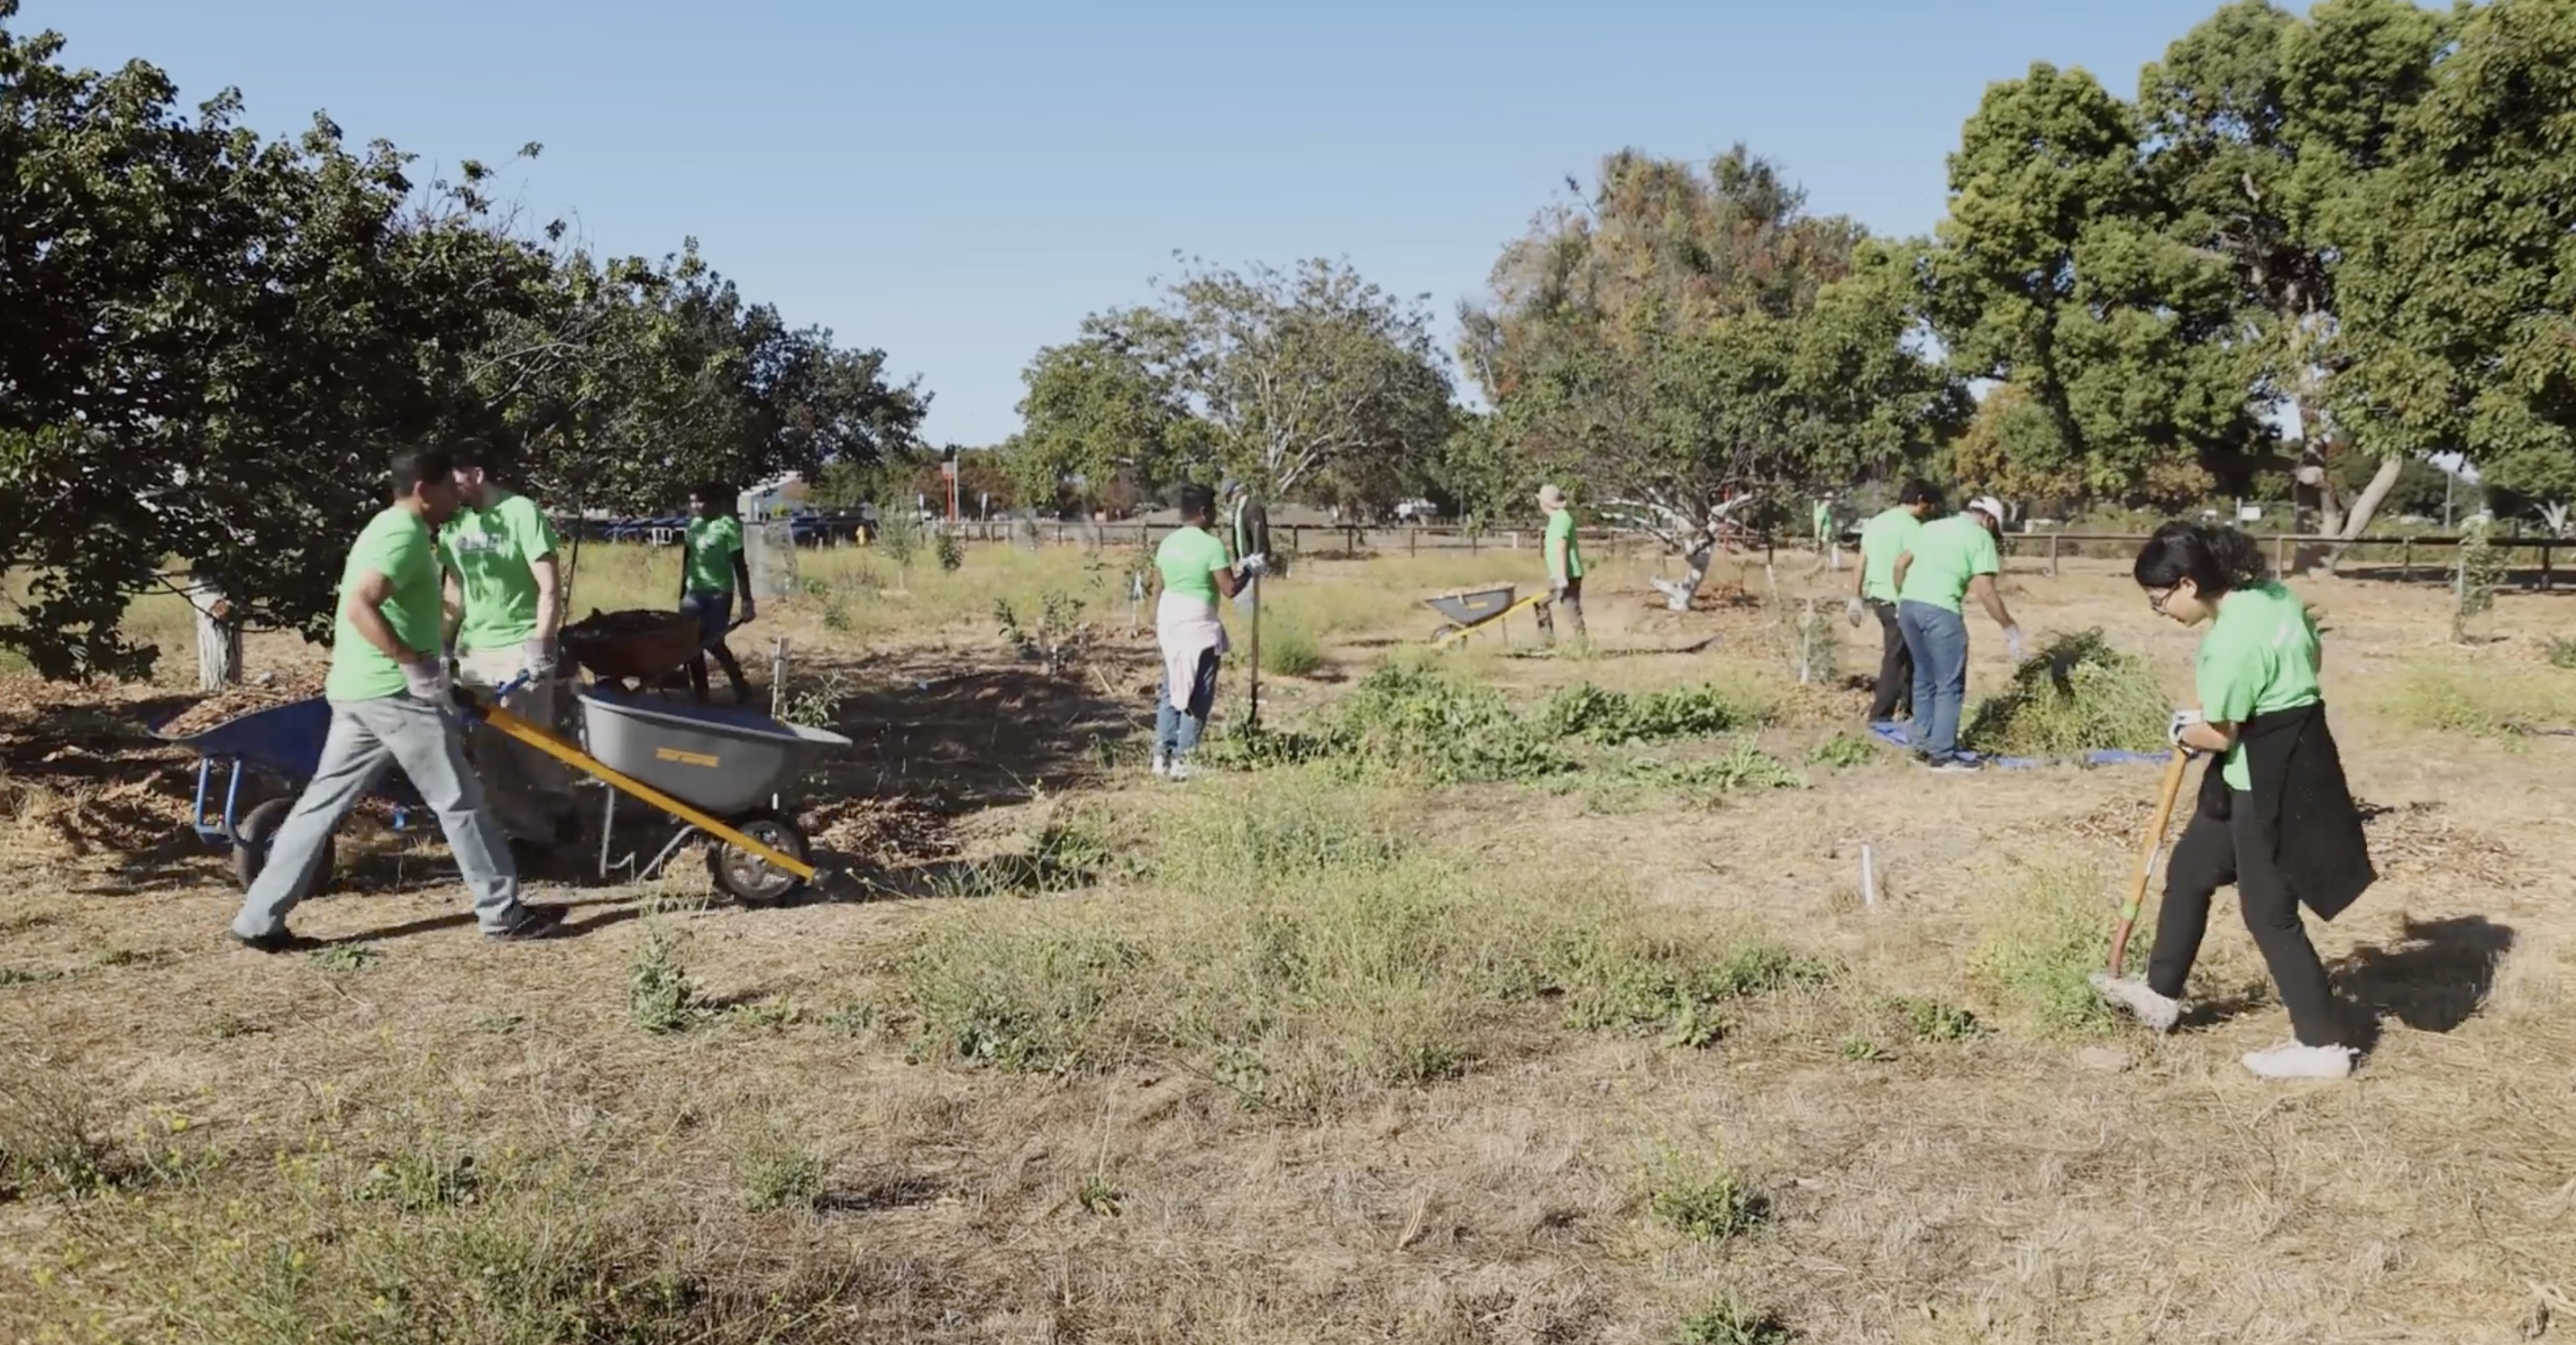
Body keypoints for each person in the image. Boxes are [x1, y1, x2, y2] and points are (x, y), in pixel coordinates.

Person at [229, 446, 564, 949]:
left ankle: (257, 920)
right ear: (425, 491)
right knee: (461, 802)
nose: (458, 497)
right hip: (393, 694)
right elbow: (362, 605)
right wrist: (415, 663)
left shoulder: (387, 529)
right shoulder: (403, 535)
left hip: (357, 690)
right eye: (449, 489)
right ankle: (502, 914)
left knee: (318, 806)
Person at [2090, 522, 2374, 1081]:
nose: (2162, 612)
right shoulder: (2275, 599)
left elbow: (2221, 735)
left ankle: (2321, 1047)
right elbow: (2306, 665)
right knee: (2193, 868)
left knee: (2268, 912)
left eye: (2159, 601)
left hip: (2273, 778)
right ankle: (2160, 994)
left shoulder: (2226, 644)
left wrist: (2182, 730)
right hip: (2273, 759)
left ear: (2189, 584)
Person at [440, 441, 578, 847]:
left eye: (455, 479)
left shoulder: (521, 513)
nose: (449, 489)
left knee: (531, 742)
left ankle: (563, 808)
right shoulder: (455, 524)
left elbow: (549, 586)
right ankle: (528, 836)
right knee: (488, 752)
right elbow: (456, 588)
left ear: (477, 475)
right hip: (475, 653)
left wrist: (541, 645)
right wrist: (443, 646)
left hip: (520, 646)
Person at [1891, 494, 2024, 772]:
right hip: (1942, 612)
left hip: (1909, 609)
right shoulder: (1980, 537)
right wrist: (2008, 626)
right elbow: (1985, 589)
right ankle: (1942, 755)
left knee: (1924, 679)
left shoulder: (1931, 527)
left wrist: (1903, 597)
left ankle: (1920, 746)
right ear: (1988, 519)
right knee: (1949, 684)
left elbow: (1899, 564)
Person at [1150, 483, 1257, 780]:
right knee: (1199, 693)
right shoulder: (1211, 546)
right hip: (1198, 626)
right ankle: (1185, 759)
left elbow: (1157, 588)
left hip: (1170, 621)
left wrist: (1156, 624)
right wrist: (1248, 569)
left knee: (1172, 688)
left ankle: (1162, 755)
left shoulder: (1167, 543)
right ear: (1203, 512)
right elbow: (1230, 590)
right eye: (1211, 511)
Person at [1850, 481, 1941, 726]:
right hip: (1900, 599)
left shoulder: (1877, 522)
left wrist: (1856, 596)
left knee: (1912, 656)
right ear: (1921, 499)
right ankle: (1880, 716)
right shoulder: (1915, 528)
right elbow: (1911, 565)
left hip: (1878, 599)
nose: (1930, 509)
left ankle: (1911, 711)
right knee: (1897, 658)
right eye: (1929, 504)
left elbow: (1861, 560)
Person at [679, 482, 756, 704]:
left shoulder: (727, 525)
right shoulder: (693, 526)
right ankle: (701, 692)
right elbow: (687, 562)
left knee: (713, 641)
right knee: (690, 644)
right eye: (692, 501)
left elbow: (739, 564)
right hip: (694, 592)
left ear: (714, 503)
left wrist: (747, 599)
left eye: (700, 501)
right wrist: (682, 593)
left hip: (718, 593)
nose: (695, 506)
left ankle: (740, 685)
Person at [1539, 483, 1586, 645]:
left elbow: (1561, 547)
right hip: (1562, 573)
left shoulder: (1561, 519)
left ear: (1544, 503)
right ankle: (1551, 640)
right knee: (1565, 608)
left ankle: (1579, 644)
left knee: (1570, 608)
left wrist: (1561, 575)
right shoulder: (1558, 519)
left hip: (1567, 574)